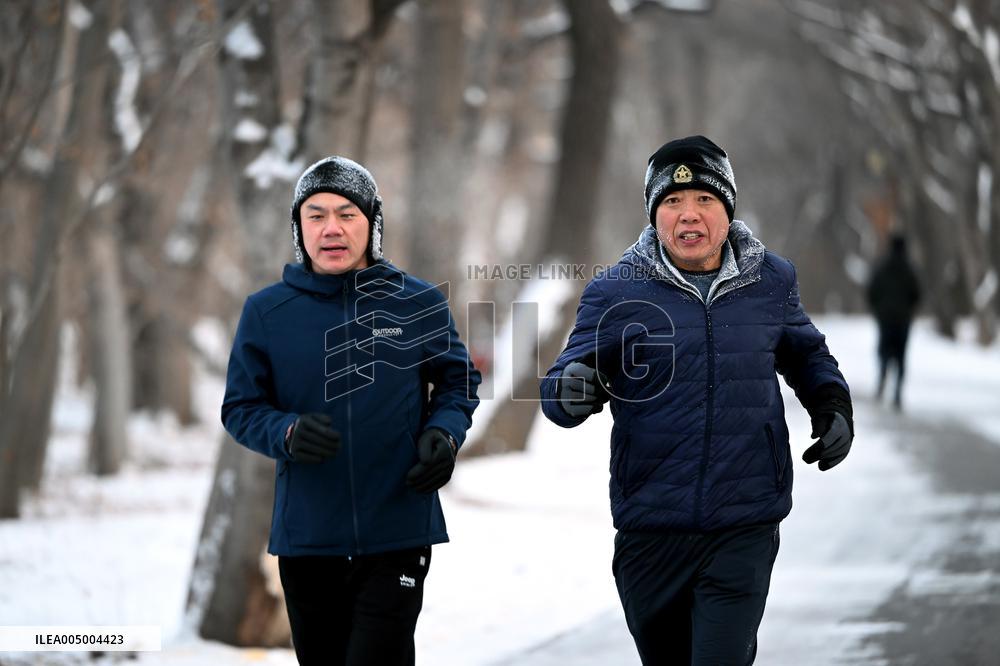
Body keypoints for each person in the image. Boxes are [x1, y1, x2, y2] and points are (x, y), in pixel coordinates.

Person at [539, 135, 854, 665]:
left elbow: (807, 355)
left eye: (705, 200)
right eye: (672, 202)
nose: (689, 216)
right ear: (653, 215)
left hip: (744, 519)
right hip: (650, 527)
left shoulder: (771, 280)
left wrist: (832, 404)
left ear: (728, 208)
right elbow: (561, 385)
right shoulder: (615, 291)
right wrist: (571, 390)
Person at [222, 156, 480, 666]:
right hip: (307, 538)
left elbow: (459, 382)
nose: (332, 228)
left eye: (347, 213)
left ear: (372, 224)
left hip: (398, 528)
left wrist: (445, 435)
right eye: (315, 215)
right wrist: (287, 431)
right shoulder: (267, 312)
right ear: (299, 229)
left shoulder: (417, 302)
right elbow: (241, 407)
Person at [867, 233, 921, 410]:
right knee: (900, 355)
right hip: (902, 319)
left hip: (885, 318)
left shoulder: (882, 267)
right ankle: (897, 392)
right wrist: (909, 310)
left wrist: (878, 310)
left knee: (884, 352)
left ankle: (882, 380)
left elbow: (871, 290)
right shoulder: (909, 269)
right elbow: (917, 294)